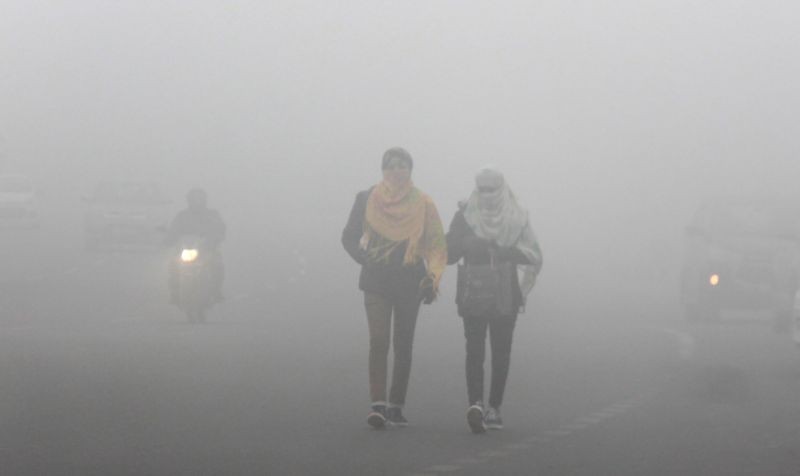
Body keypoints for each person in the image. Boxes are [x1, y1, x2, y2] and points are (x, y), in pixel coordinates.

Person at [342, 147, 447, 429]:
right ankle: (377, 404)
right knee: (378, 341)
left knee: (403, 344)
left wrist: (433, 278)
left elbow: (437, 246)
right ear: (382, 169)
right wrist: (363, 257)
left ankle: (396, 405)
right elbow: (349, 236)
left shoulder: (424, 203)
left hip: (410, 280)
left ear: (411, 170)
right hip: (376, 280)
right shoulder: (366, 199)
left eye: (402, 165)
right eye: (391, 165)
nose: (397, 170)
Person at [446, 166, 542, 433]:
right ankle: (475, 403)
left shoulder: (517, 216)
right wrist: (467, 243)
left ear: (502, 189)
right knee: (474, 349)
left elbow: (533, 254)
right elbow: (449, 252)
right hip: (473, 291)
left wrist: (505, 251)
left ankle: (494, 407)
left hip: (505, 293)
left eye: (492, 188)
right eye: (482, 188)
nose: (487, 194)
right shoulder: (465, 214)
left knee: (501, 352)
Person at [165, 188, 226, 303]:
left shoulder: (212, 215)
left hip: (208, 249)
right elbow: (173, 230)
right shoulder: (182, 216)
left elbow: (220, 228)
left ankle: (217, 290)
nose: (197, 202)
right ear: (189, 201)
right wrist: (168, 240)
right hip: (186, 249)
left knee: (218, 264)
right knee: (173, 265)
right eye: (194, 199)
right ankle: (175, 291)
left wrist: (215, 239)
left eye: (199, 199)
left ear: (204, 200)